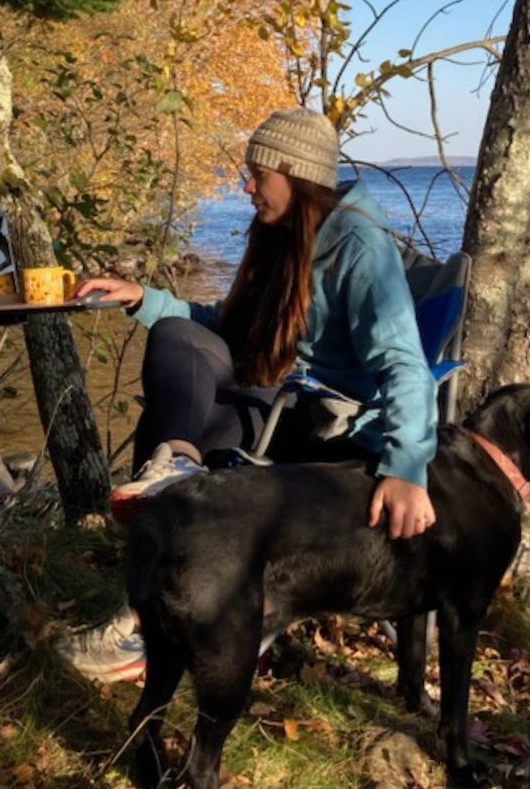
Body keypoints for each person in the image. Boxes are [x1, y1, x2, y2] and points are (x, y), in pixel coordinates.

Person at [58, 106, 438, 682]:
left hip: (316, 419)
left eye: (260, 174)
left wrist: (408, 466)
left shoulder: (359, 245)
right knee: (175, 336)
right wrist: (142, 297)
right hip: (270, 400)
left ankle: (145, 621)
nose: (247, 186)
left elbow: (403, 361)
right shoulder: (280, 236)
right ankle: (175, 474)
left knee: (188, 425)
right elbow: (227, 324)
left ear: (299, 175)